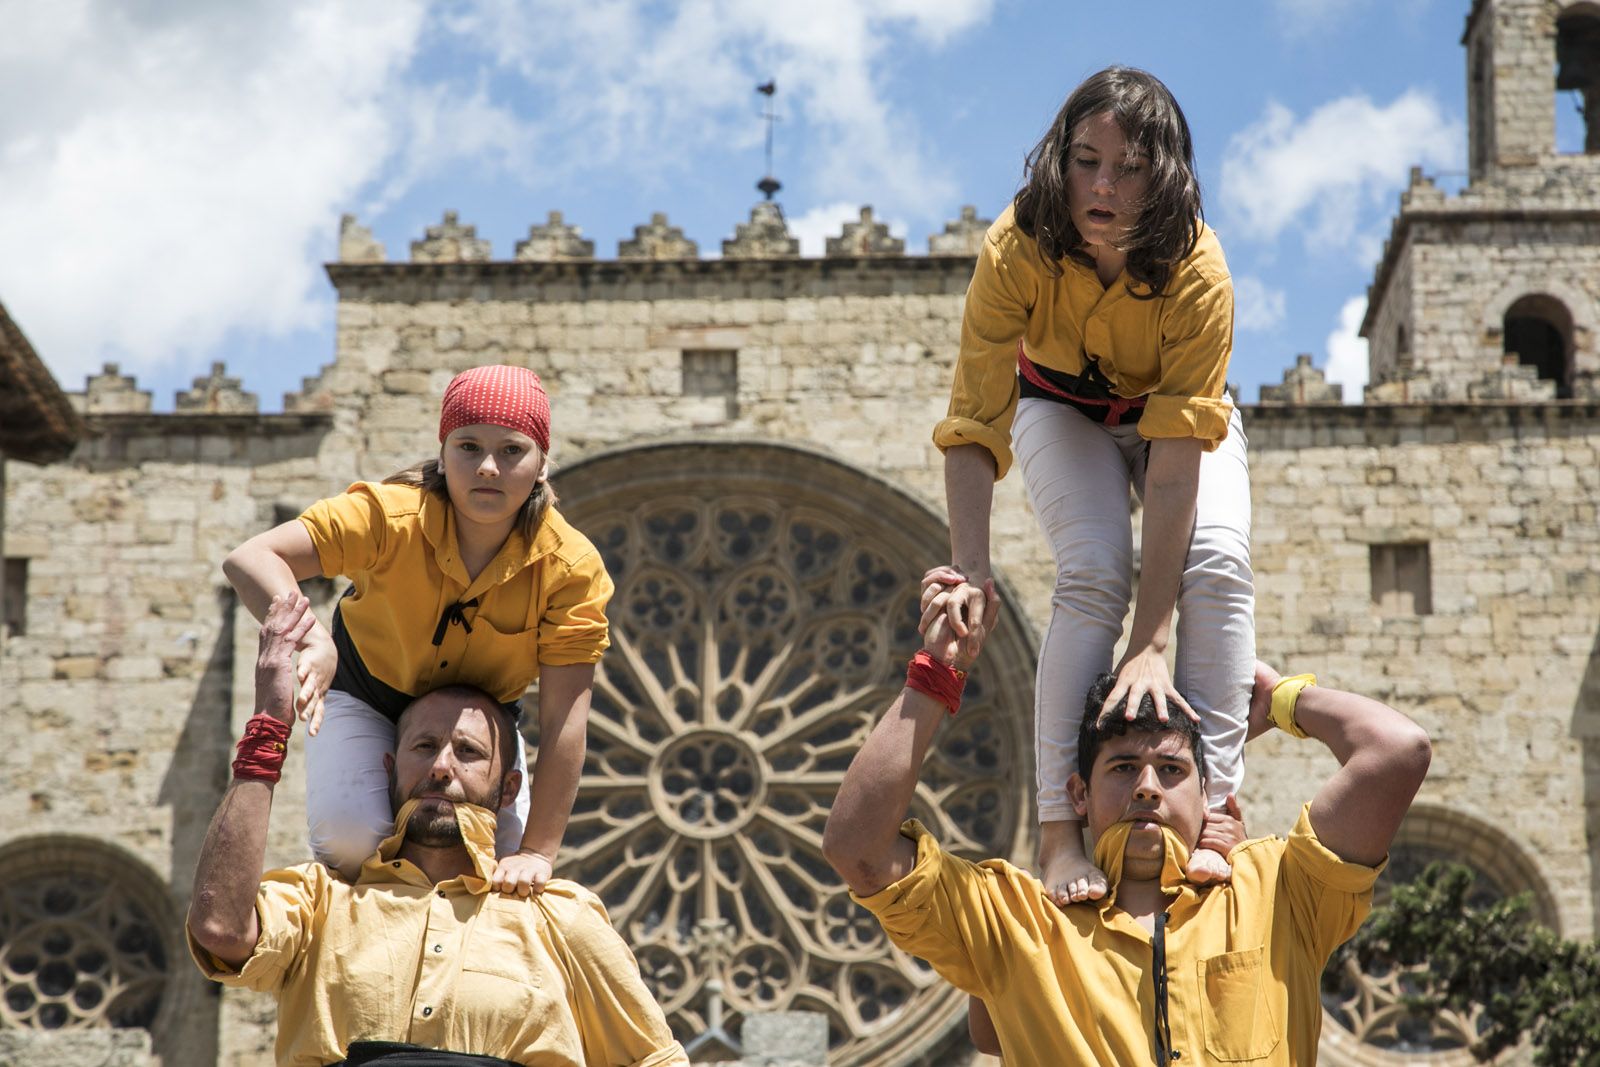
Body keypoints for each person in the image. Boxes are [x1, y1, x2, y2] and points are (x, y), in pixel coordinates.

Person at [822, 577, 1432, 1065]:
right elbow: (860, 850)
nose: (1146, 786)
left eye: (1171, 770)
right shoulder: (1017, 923)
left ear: (1208, 793)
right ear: (1078, 795)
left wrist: (1282, 700)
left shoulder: (1277, 892)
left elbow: (1397, 751)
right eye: (1121, 769)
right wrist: (936, 674)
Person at [932, 66, 1254, 904]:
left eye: (1130, 168)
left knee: (1216, 560)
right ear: (1058, 160)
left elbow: (1177, 462)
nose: (1102, 186)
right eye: (1084, 160)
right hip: (1057, 405)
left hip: (1174, 420)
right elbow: (974, 417)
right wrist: (971, 566)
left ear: (1167, 175)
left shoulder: (1200, 272)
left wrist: (1152, 641)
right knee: (1092, 572)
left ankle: (1214, 810)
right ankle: (1057, 833)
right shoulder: (1015, 246)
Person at [187, 592, 686, 1067]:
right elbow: (221, 930)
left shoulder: (559, 922)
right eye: (424, 747)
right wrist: (270, 726)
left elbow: (655, 1057)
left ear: (509, 789)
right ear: (389, 768)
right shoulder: (321, 905)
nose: (443, 766)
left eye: (468, 752)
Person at [223, 364, 611, 891]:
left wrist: (538, 852)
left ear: (543, 463)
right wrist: (313, 635)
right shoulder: (388, 516)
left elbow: (566, 715)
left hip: (481, 722)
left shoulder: (572, 568)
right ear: (443, 453)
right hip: (364, 695)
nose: (489, 468)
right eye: (468, 447)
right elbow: (251, 558)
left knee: (498, 868)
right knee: (350, 841)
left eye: (512, 450)